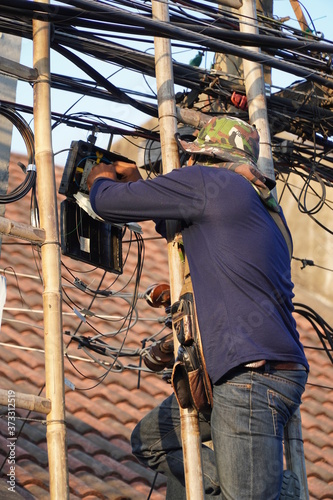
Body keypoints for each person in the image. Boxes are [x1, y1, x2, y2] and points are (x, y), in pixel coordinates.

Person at [87, 116, 309, 500]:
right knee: (154, 439)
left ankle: (278, 492)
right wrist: (144, 183)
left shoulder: (209, 182)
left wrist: (101, 177)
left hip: (251, 379)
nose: (186, 166)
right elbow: (172, 217)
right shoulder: (262, 207)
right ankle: (260, 484)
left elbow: (107, 203)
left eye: (192, 157)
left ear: (208, 157)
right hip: (252, 374)